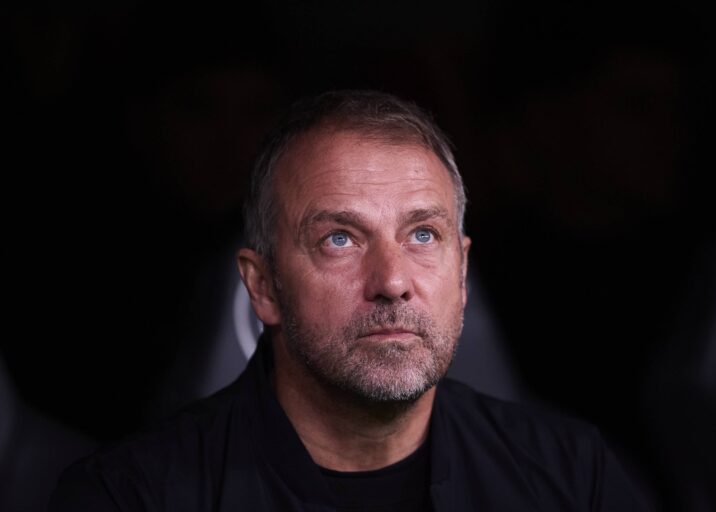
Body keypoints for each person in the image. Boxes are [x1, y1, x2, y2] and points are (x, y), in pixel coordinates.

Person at [50, 90, 652, 511]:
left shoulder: (574, 479)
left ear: (462, 270)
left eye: (423, 235)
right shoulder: (129, 496)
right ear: (263, 287)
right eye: (340, 238)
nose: (392, 280)